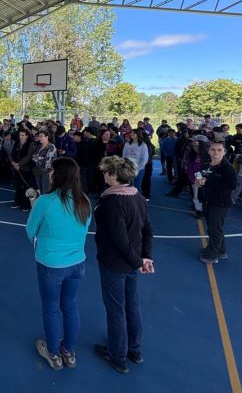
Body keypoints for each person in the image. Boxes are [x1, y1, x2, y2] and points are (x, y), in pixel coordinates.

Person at [26, 157, 92, 371]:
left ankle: (53, 352)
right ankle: (69, 351)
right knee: (70, 306)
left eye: (52, 171)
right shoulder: (85, 201)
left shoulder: (46, 201)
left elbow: (30, 232)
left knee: (51, 308)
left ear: (58, 175)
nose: (50, 174)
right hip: (77, 263)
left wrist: (35, 207)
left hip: (51, 264)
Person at [94, 156, 154, 375]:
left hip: (115, 263)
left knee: (115, 309)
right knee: (132, 304)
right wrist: (144, 257)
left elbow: (119, 240)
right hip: (132, 262)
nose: (103, 175)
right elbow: (147, 230)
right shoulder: (137, 197)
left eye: (106, 172)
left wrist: (138, 261)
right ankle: (134, 350)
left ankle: (117, 355)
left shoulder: (111, 202)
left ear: (114, 175)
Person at [197, 142, 237, 265]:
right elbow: (199, 176)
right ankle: (221, 250)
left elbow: (232, 185)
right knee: (215, 228)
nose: (216, 153)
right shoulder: (205, 164)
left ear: (224, 152)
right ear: (209, 151)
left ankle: (212, 254)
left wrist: (208, 182)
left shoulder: (228, 168)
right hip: (207, 200)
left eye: (219, 150)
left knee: (214, 229)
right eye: (213, 150)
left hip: (219, 203)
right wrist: (199, 181)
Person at [10, 129, 35, 211]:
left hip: (26, 168)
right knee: (17, 186)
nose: (21, 137)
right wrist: (13, 163)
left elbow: (29, 156)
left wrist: (19, 164)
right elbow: (11, 154)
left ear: (27, 136)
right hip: (15, 168)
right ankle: (18, 202)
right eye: (20, 135)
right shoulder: (16, 143)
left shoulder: (31, 144)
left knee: (25, 186)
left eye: (23, 135)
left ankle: (26, 204)